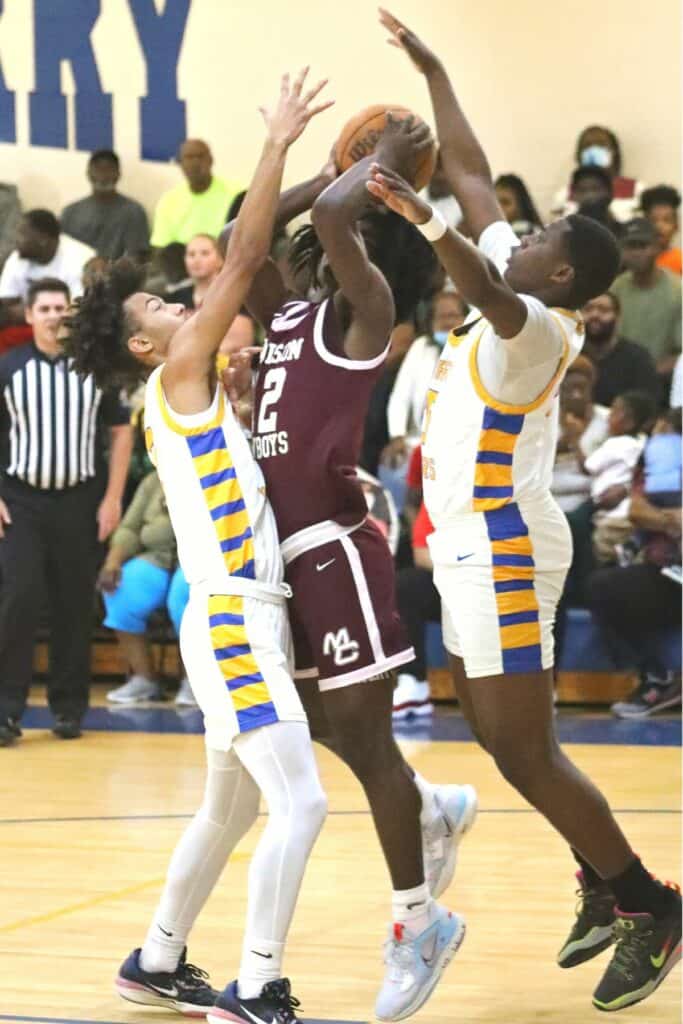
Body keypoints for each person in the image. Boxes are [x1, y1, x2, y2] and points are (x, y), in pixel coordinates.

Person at [374, 8, 681, 1014]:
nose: (519, 229)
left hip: (503, 547)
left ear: (557, 274)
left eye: (538, 234)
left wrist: (425, 223)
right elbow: (469, 171)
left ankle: (645, 900)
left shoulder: (534, 324)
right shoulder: (512, 281)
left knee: (524, 749)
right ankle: (602, 880)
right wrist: (433, 71)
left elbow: (469, 253)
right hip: (465, 540)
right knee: (500, 740)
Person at [63, 70, 332, 1024]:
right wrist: (278, 142)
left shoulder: (172, 377)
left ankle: (157, 959)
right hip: (230, 617)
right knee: (299, 807)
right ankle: (254, 988)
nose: (184, 310)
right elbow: (248, 253)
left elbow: (237, 263)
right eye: (163, 312)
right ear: (145, 347)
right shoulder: (180, 366)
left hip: (229, 614)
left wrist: (307, 172)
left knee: (232, 809)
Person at [224, 117, 476, 1021]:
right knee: (320, 726)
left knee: (365, 745)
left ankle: (419, 924)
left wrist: (359, 174)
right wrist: (322, 170)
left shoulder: (366, 318)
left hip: (334, 545)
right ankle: (430, 807)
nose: (323, 248)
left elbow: (332, 218)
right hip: (280, 557)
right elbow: (235, 239)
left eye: (351, 239)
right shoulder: (287, 315)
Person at [0, 278, 132, 746]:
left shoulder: (93, 370)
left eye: (62, 307)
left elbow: (121, 430)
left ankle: (69, 709)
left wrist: (113, 497)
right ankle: (6, 711)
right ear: (30, 315)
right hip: (21, 503)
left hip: (79, 501)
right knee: (16, 603)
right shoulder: (9, 368)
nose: (55, 314)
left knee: (73, 607)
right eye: (46, 307)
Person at [588, 411, 681, 719]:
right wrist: (671, 520)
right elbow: (638, 511)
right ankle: (657, 677)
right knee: (605, 587)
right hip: (666, 572)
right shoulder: (652, 463)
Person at [98, 470, 192, 706]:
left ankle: (196, 681)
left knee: (181, 598)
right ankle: (144, 679)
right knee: (122, 590)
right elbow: (129, 528)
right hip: (157, 557)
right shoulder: (152, 480)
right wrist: (112, 563)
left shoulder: (215, 468)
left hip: (197, 559)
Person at [385, 288, 467, 462]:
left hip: (462, 444)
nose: (448, 322)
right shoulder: (421, 347)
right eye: (442, 317)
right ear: (430, 322)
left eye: (453, 315)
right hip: (418, 442)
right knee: (392, 467)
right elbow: (401, 396)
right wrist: (397, 436)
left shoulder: (475, 348)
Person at [584, 392, 655, 565]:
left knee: (598, 552)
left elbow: (589, 466)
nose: (608, 415)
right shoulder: (644, 443)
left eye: (615, 411)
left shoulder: (614, 444)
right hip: (628, 513)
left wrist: (573, 440)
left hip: (608, 514)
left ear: (629, 422)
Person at [611, 218, 682, 377]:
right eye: (630, 246)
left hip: (664, 380)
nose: (636, 253)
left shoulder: (678, 291)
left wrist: (649, 374)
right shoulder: (614, 290)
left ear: (657, 248)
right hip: (619, 376)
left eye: (642, 246)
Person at [394, 499, 442, 719]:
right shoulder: (440, 489)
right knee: (405, 585)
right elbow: (421, 554)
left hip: (497, 577)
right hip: (452, 578)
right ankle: (414, 681)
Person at [151, 139, 242, 248]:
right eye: (189, 158)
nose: (195, 163)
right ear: (180, 163)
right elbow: (161, 249)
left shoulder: (236, 194)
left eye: (200, 156)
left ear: (211, 160)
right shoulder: (169, 201)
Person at [61, 150, 150, 260]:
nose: (103, 176)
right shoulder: (71, 212)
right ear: (88, 174)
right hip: (75, 274)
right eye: (98, 170)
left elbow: (137, 257)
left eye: (109, 170)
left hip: (117, 275)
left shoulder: (134, 212)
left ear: (118, 174)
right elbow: (63, 252)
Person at [581, 291, 660, 407]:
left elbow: (648, 403)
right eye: (588, 309)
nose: (595, 315)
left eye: (603, 310)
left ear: (617, 317)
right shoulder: (571, 353)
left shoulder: (638, 358)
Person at [552, 356, 609, 515]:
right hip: (550, 498)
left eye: (581, 388)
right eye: (569, 389)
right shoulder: (544, 420)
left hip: (590, 501)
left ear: (591, 387)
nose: (576, 395)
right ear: (558, 389)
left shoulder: (607, 420)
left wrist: (575, 443)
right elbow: (532, 466)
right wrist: (564, 442)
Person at [552, 125, 644, 223]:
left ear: (614, 152)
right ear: (579, 154)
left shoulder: (637, 189)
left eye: (601, 145)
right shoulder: (564, 195)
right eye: (587, 146)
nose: (594, 151)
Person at [0, 210, 94, 303]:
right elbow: (7, 302)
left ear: (42, 239)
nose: (16, 240)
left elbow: (79, 309)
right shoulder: (18, 256)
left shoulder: (81, 259)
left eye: (22, 234)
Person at [640, 184, 682, 276]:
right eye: (653, 220)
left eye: (667, 220)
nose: (659, 226)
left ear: (676, 226)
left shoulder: (680, 261)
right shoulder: (636, 257)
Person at [569, 166, 622, 238]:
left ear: (609, 193)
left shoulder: (623, 231)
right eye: (582, 190)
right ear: (574, 195)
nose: (589, 196)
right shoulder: (564, 235)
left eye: (596, 189)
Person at [494, 173, 542, 239]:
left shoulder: (525, 230)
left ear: (521, 205)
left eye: (505, 203)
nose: (498, 207)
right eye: (495, 201)